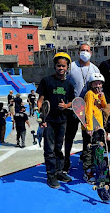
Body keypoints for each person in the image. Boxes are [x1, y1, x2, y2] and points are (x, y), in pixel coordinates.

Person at [36, 52, 75, 189]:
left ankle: (59, 172)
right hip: (49, 121)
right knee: (49, 150)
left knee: (59, 149)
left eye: (63, 66)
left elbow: (73, 102)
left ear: (67, 67)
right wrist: (41, 117)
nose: (61, 68)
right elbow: (40, 101)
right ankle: (51, 176)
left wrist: (66, 106)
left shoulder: (69, 84)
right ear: (55, 66)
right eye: (59, 65)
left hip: (62, 120)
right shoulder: (46, 81)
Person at [63, 43, 100, 173]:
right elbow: (65, 85)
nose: (85, 52)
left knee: (87, 136)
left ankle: (86, 158)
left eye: (87, 50)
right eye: (82, 50)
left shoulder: (95, 69)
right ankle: (66, 160)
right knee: (69, 136)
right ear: (78, 52)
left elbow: (99, 89)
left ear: (91, 53)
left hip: (88, 110)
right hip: (73, 107)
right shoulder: (71, 67)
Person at [82, 73, 107, 184]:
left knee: (98, 149)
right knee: (88, 150)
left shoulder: (99, 95)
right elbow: (88, 110)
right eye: (96, 83)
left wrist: (102, 98)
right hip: (90, 127)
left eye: (100, 83)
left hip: (98, 127)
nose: (98, 85)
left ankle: (97, 168)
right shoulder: (90, 94)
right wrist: (89, 127)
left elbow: (104, 107)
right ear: (91, 84)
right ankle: (87, 172)